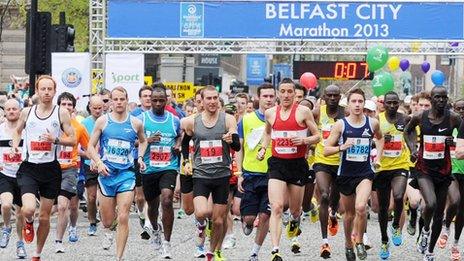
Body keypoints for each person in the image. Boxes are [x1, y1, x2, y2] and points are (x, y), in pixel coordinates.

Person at [12, 75, 76, 261]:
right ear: (37, 91)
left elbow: (72, 140)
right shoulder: (27, 112)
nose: (46, 92)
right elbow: (17, 131)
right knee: (28, 209)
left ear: (54, 91)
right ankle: (29, 223)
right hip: (29, 168)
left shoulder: (61, 113)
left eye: (50, 89)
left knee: (46, 217)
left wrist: (55, 140)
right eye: (43, 89)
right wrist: (16, 145)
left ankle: (37, 254)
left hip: (50, 170)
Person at [257, 78, 320, 261]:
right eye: (282, 91)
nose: (286, 95)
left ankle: (294, 220)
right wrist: (263, 148)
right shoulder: (270, 113)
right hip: (277, 163)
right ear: (278, 93)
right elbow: (268, 133)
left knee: (295, 210)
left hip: (297, 164)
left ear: (294, 94)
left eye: (289, 92)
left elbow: (316, 136)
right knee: (276, 207)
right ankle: (275, 250)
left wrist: (304, 141)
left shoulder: (303, 112)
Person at [86, 86, 147, 260]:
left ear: (127, 100)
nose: (119, 102)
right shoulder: (103, 122)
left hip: (126, 175)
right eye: (116, 99)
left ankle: (119, 257)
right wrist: (98, 162)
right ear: (111, 101)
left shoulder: (135, 123)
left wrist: (140, 157)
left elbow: (143, 142)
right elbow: (90, 146)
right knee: (107, 221)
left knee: (123, 216)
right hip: (106, 176)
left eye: (122, 99)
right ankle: (108, 227)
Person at [181, 85, 240, 261]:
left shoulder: (228, 120)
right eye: (209, 98)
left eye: (215, 98)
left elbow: (237, 146)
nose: (212, 101)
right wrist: (185, 161)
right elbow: (185, 142)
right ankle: (200, 225)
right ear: (202, 101)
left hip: (222, 175)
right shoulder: (193, 121)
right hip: (201, 174)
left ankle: (212, 252)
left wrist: (232, 140)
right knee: (201, 212)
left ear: (219, 100)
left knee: (219, 221)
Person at [324, 88, 383, 261]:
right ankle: (348, 245)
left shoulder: (372, 123)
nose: (357, 105)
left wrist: (378, 157)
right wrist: (342, 147)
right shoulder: (341, 125)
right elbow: (326, 149)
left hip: (365, 173)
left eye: (360, 101)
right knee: (349, 214)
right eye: (354, 101)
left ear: (364, 104)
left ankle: (358, 241)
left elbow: (380, 138)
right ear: (348, 105)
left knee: (360, 207)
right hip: (345, 174)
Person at [404, 86, 462, 261]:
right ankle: (426, 230)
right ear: (431, 98)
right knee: (430, 204)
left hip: (444, 170)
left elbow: (463, 133)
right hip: (424, 169)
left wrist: (456, 142)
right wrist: (413, 148)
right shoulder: (420, 116)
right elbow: (407, 131)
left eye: (444, 98)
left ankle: (429, 252)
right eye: (438, 97)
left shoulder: (453, 118)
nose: (441, 101)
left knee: (439, 214)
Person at [139, 84, 181, 258]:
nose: (157, 103)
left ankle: (167, 242)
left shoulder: (174, 120)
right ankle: (155, 228)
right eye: (154, 100)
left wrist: (178, 145)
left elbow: (180, 135)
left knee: (167, 199)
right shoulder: (141, 119)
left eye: (161, 100)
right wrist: (147, 140)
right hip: (149, 168)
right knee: (153, 205)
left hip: (168, 167)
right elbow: (134, 141)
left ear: (166, 100)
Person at [236, 83, 276, 261]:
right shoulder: (246, 120)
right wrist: (239, 173)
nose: (268, 99)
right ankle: (248, 222)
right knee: (250, 217)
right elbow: (240, 148)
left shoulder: (279, 119)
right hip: (250, 174)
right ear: (258, 97)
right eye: (265, 96)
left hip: (272, 175)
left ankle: (255, 252)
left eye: (271, 96)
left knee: (266, 214)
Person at [374, 91, 410, 259]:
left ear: (399, 102)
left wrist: (414, 149)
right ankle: (384, 240)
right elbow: (370, 140)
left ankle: (395, 225)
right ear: (384, 103)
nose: (392, 105)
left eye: (395, 102)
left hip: (400, 164)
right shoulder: (377, 120)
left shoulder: (405, 119)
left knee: (398, 195)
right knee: (382, 208)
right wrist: (380, 139)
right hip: (382, 167)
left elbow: (411, 137)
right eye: (389, 103)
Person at [312, 84, 345, 258]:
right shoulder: (318, 112)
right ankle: (325, 242)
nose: (332, 98)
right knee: (324, 195)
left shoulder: (346, 113)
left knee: (335, 199)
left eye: (335, 95)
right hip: (322, 160)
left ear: (340, 97)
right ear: (324, 97)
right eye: (329, 95)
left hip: (341, 162)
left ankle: (333, 213)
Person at [54, 92, 89, 253]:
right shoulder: (51, 123)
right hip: (50, 169)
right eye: (63, 104)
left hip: (71, 169)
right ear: (58, 106)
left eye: (70, 105)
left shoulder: (79, 127)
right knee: (49, 208)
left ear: (74, 108)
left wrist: (97, 161)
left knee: (69, 206)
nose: (67, 107)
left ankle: (69, 230)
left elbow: (89, 148)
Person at [437, 99, 464, 260]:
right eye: (459, 109)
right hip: (451, 170)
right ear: (454, 110)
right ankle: (446, 227)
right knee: (454, 201)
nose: (462, 112)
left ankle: (455, 244)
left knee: (462, 212)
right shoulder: (450, 127)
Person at [0, 99, 27, 258]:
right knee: (6, 204)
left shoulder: (26, 130)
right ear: (4, 111)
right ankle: (6, 227)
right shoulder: (0, 129)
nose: (11, 111)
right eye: (8, 109)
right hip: (5, 174)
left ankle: (20, 243)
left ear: (19, 111)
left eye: (14, 109)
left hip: (23, 175)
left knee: (21, 213)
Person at [130, 85, 153, 238]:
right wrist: (147, 140)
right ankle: (141, 213)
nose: (148, 98)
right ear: (140, 99)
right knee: (139, 197)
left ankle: (150, 222)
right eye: (145, 96)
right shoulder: (134, 116)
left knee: (152, 194)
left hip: (154, 160)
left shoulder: (160, 115)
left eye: (150, 95)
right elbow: (131, 141)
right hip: (138, 159)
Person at [81, 95, 104, 236]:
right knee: (91, 197)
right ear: (89, 107)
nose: (97, 111)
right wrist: (92, 159)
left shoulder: (108, 120)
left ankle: (108, 219)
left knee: (106, 195)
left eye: (100, 108)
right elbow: (81, 146)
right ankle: (92, 221)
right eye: (94, 108)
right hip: (89, 163)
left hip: (106, 162)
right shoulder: (84, 123)